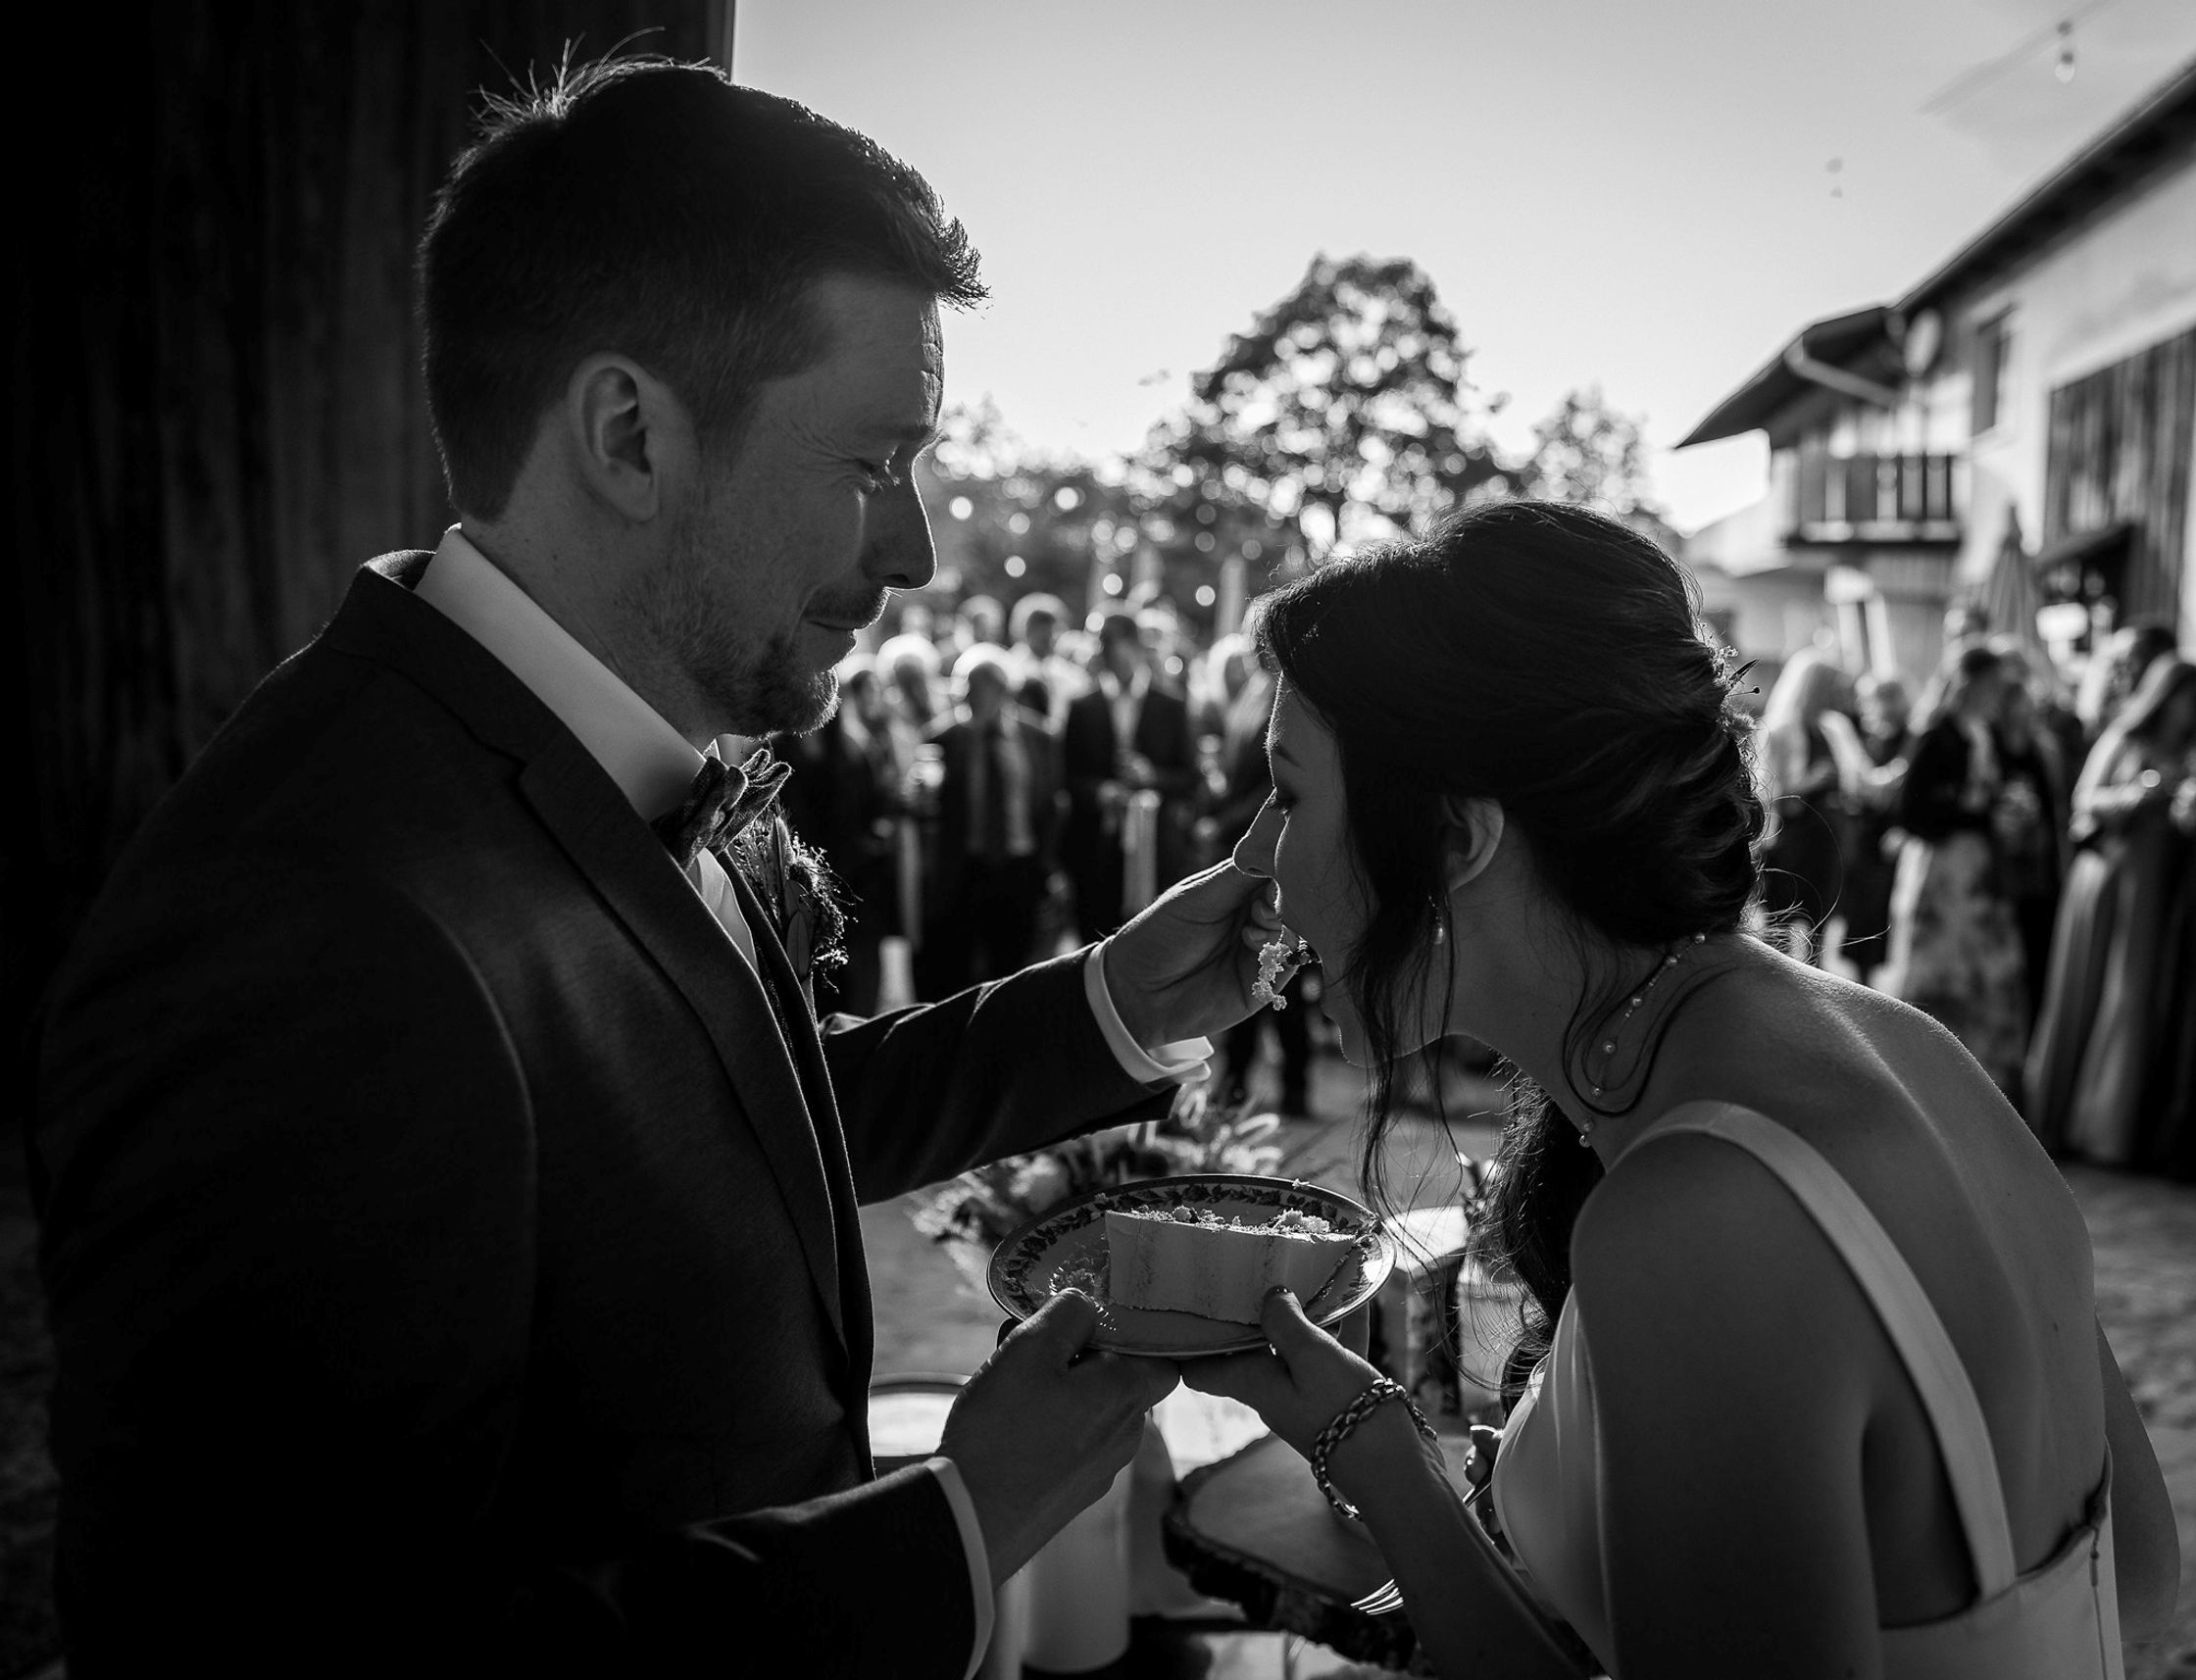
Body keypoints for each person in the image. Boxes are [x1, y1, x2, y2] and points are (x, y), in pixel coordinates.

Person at [32, 61, 1279, 1678]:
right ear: (629, 431)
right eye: (869, 461)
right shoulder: (305, 924)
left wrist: (1105, 1005)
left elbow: (702, 1116)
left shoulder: (606, 745)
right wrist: (951, 1531)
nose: (911, 549)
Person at [1182, 501, 2175, 1679]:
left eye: (1288, 793)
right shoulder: (1903, 1047)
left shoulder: (1699, 1215)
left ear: (1454, 838)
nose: (1254, 856)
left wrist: (1376, 1458)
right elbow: (2146, 1579)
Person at [2024, 656, 2196, 1162]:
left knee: (2134, 1001)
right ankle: (2077, 1126)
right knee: (2097, 991)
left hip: (2159, 888)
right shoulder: (2125, 737)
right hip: (2110, 879)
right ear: (2168, 696)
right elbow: (2084, 802)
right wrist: (2139, 794)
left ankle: (2113, 1126)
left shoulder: (2188, 750)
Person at [1885, 645, 2029, 1098]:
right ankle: (1929, 1075)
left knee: (1990, 972)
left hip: (1980, 872)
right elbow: (1913, 812)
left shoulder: (1985, 734)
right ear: (1970, 684)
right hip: (1944, 872)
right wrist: (1980, 817)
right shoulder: (1938, 735)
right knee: (1942, 974)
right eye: (1990, 685)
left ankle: (1982, 1075)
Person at [919, 644, 1062, 993]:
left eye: (975, 690)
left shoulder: (1039, 737)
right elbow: (931, 808)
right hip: (967, 869)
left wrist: (1049, 866)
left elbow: (1051, 806)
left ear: (1002, 690)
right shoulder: (945, 738)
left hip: (1021, 868)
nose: (966, 699)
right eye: (963, 690)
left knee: (1012, 972)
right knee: (959, 972)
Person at [1062, 611, 1200, 940]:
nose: (1116, 658)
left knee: (1149, 938)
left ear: (1137, 649)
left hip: (1154, 847)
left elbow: (1190, 778)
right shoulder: (1082, 706)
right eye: (1108, 649)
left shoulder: (1170, 705)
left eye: (1122, 648)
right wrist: (1100, 792)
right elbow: (1068, 776)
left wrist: (1152, 777)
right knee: (1095, 935)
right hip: (1096, 845)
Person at [1754, 646, 1850, 964]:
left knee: (1820, 923)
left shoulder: (1835, 728)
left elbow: (1858, 778)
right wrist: (1811, 781)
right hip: (1790, 839)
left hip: (1827, 838)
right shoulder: (1779, 729)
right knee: (1780, 923)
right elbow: (1767, 789)